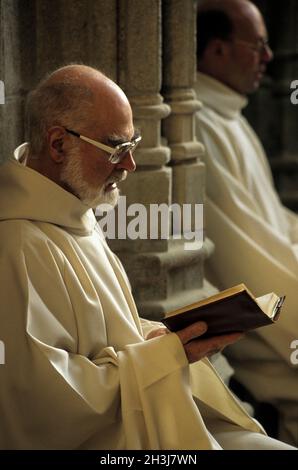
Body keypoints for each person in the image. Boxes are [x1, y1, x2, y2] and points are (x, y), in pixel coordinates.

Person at [0, 65, 295, 450]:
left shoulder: (71, 209)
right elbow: (44, 408)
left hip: (148, 413)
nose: (130, 166)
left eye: (133, 145)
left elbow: (105, 332)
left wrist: (164, 337)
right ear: (58, 144)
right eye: (117, 149)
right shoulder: (18, 243)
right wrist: (166, 356)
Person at [195, 0, 298, 445]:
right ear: (216, 50)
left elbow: (272, 224)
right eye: (257, 45)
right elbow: (245, 254)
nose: (268, 57)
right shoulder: (196, 124)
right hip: (257, 329)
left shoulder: (229, 114)